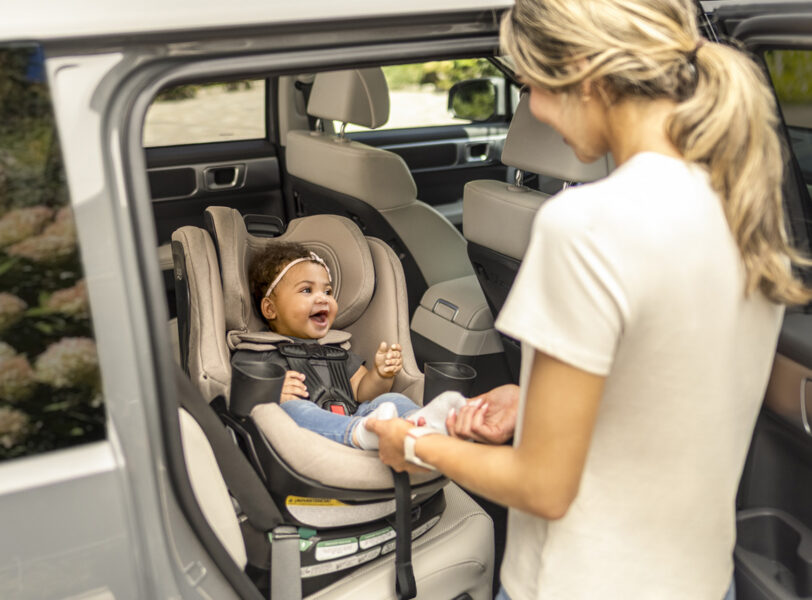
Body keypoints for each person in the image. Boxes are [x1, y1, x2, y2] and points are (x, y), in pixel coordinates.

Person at [367, 1, 812, 598]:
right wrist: (539, 402)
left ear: (581, 69)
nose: (538, 113)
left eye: (531, 88)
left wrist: (418, 445)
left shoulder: (583, 223)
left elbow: (544, 487)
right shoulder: (745, 202)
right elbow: (677, 380)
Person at [231, 242, 464, 450]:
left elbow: (363, 390)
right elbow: (240, 394)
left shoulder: (336, 350)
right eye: (306, 290)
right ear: (270, 309)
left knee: (390, 401)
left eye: (328, 291)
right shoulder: (258, 352)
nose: (322, 298)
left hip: (356, 414)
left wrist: (382, 375)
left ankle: (420, 423)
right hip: (307, 436)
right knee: (295, 410)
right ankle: (361, 432)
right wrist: (272, 392)